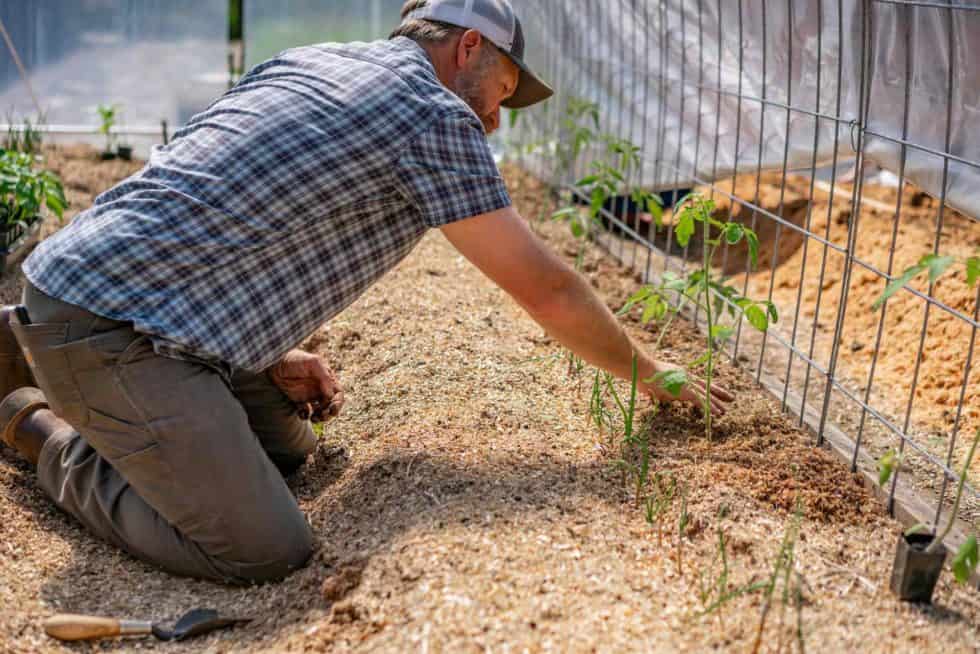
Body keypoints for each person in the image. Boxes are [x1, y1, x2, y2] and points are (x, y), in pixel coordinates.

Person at [0, 0, 731, 584]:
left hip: (106, 289)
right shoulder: (436, 114)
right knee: (263, 549)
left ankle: (61, 357)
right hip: (111, 328)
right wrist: (647, 371)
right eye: (503, 93)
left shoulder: (308, 61)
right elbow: (546, 290)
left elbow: (219, 207)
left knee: (290, 454)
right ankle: (36, 422)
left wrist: (267, 352)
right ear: (467, 48)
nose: (497, 120)